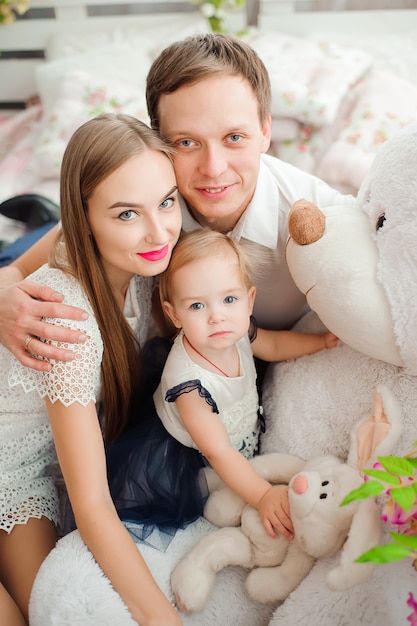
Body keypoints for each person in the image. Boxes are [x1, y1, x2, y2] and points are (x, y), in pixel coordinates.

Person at [0, 33, 354, 371]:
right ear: (158, 139)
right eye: (186, 142)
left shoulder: (322, 214)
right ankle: (41, 217)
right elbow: (19, 269)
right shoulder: (151, 195)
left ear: (264, 132)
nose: (213, 169)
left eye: (234, 137)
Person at [0, 113, 185, 626]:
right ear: (81, 218)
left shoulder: (150, 259)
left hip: (21, 475)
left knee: (47, 610)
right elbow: (92, 505)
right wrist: (162, 619)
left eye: (166, 201)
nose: (158, 232)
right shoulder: (70, 319)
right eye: (127, 214)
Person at [108, 228, 338, 545]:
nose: (217, 316)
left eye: (229, 299)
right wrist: (263, 495)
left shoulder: (236, 330)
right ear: (174, 315)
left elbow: (275, 345)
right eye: (197, 306)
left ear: (249, 301)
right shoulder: (187, 386)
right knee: (214, 495)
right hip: (191, 456)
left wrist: (320, 342)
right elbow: (218, 451)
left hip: (231, 436)